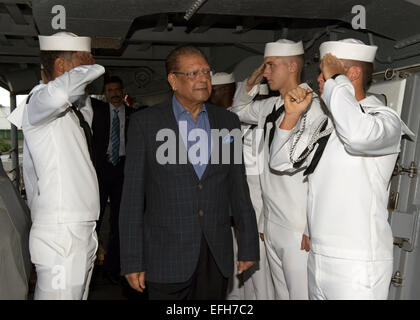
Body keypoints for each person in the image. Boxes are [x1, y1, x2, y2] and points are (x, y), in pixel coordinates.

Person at [269, 38, 414, 299]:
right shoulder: (325, 126)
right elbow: (279, 162)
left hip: (357, 263)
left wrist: (336, 80)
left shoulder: (382, 120)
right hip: (318, 258)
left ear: (353, 74)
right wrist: (291, 116)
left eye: (327, 73)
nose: (320, 80)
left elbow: (357, 136)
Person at [119, 45, 259, 300]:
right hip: (166, 256)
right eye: (193, 73)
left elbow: (238, 188)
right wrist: (131, 259)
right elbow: (131, 199)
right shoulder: (146, 124)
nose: (203, 78)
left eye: (206, 71)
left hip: (215, 254)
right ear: (173, 80)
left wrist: (248, 245)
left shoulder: (227, 123)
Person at [7, 31, 105, 299]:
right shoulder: (38, 101)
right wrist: (91, 67)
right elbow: (58, 92)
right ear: (62, 66)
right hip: (62, 232)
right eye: (85, 60)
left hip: (79, 228)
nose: (92, 63)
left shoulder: (71, 111)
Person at [230, 39, 322, 299]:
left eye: (270, 66)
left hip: (297, 224)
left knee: (300, 294)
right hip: (271, 223)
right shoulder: (270, 107)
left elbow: (318, 172)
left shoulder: (313, 110)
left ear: (292, 66)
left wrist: (311, 226)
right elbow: (239, 110)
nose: (266, 72)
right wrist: (250, 83)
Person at [210, 72, 275, 300]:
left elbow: (267, 182)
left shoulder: (261, 132)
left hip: (258, 217)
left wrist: (265, 223)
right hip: (233, 215)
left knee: (260, 282)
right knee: (239, 279)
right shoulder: (222, 124)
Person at [92, 76, 135, 284]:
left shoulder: (134, 115)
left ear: (123, 91)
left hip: (124, 170)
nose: (114, 94)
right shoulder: (96, 113)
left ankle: (113, 268)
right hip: (101, 170)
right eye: (110, 91)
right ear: (105, 94)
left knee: (120, 221)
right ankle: (89, 268)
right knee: (94, 219)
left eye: (117, 90)